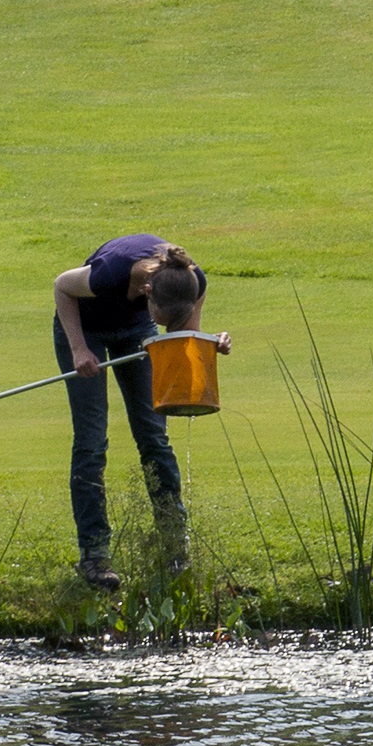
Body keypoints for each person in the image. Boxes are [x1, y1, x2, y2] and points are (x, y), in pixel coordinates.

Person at [51, 234, 227, 590]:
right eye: (161, 320)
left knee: (153, 436)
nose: (165, 325)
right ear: (147, 291)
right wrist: (80, 350)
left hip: (134, 330)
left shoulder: (192, 280)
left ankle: (175, 548)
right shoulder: (109, 274)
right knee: (91, 440)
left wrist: (212, 343)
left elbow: (186, 335)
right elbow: (62, 287)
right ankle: (94, 556)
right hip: (85, 329)